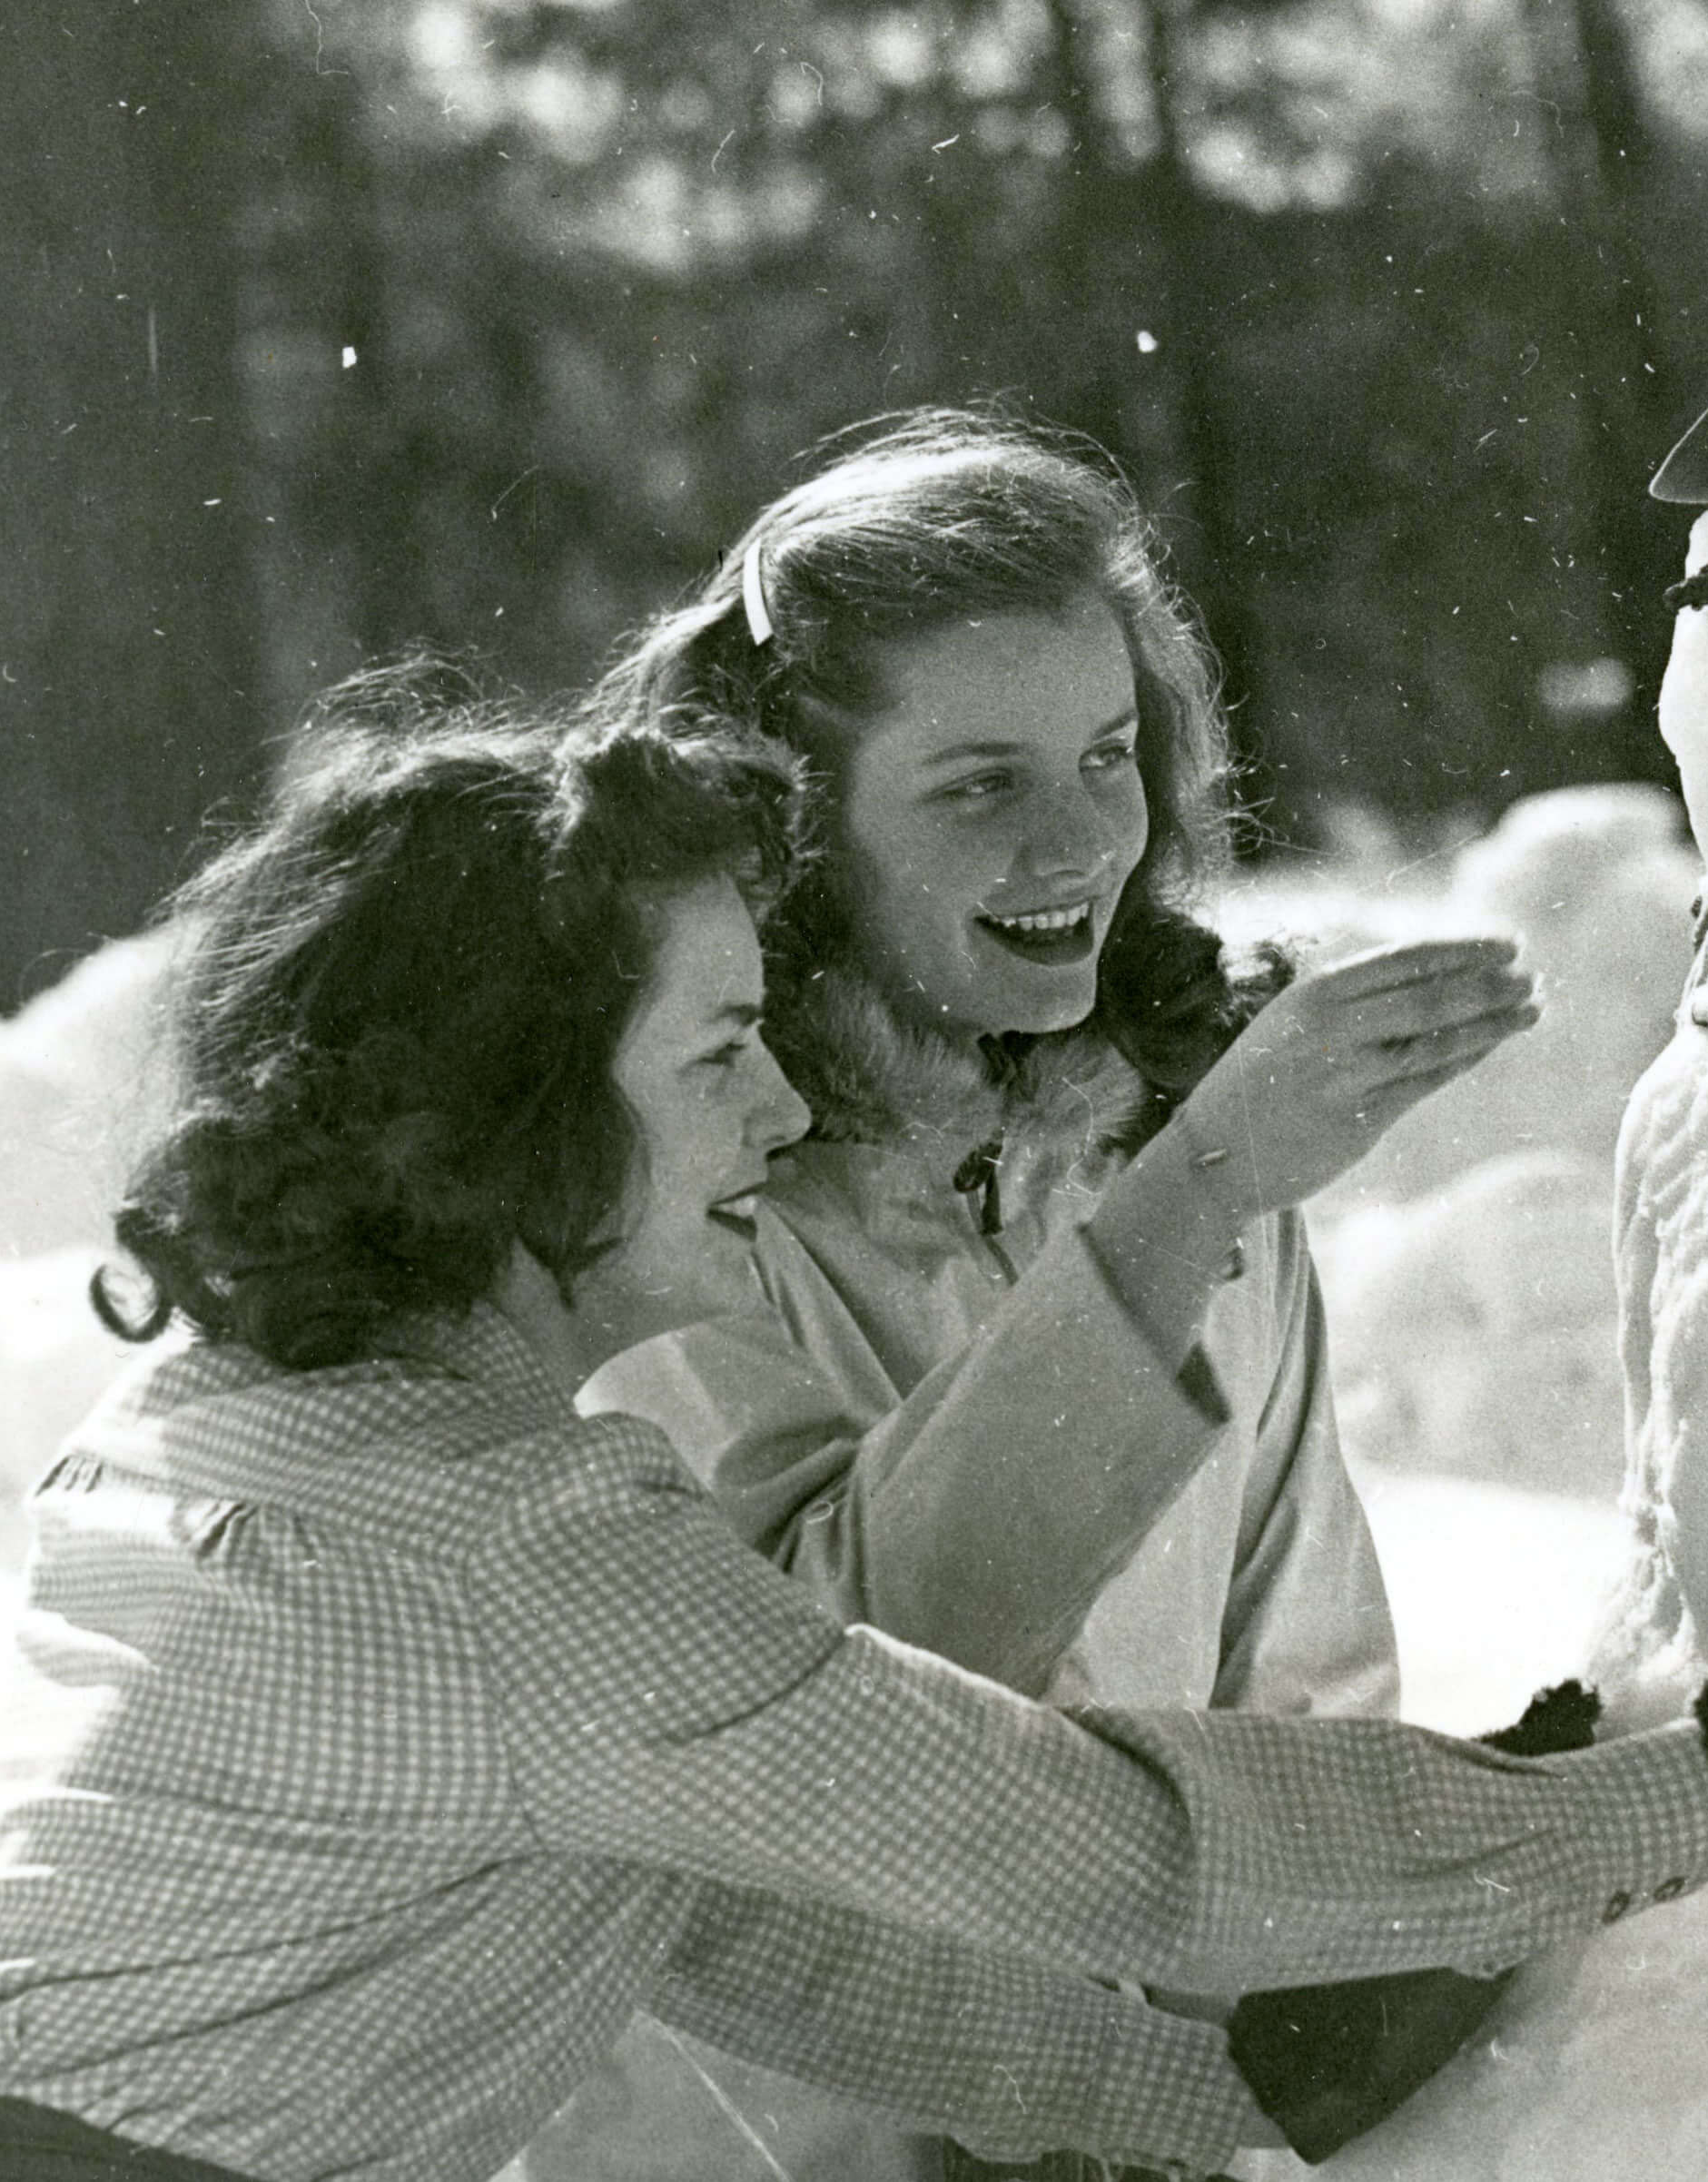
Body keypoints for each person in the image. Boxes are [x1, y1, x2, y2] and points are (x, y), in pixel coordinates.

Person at [0, 674, 1708, 2182]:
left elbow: (737, 1916)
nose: (774, 1115)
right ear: (525, 1122)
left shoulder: (254, 1425)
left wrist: (1207, 2104)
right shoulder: (506, 1552)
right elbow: (1095, 1846)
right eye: (715, 1052)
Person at [512, 417, 1506, 2182]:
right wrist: (1195, 1199)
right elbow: (830, 1719)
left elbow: (1306, 1696)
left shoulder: (1189, 1155)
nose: (1077, 844)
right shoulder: (664, 1190)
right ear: (797, 836)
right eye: (977, 784)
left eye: (1110, 757)